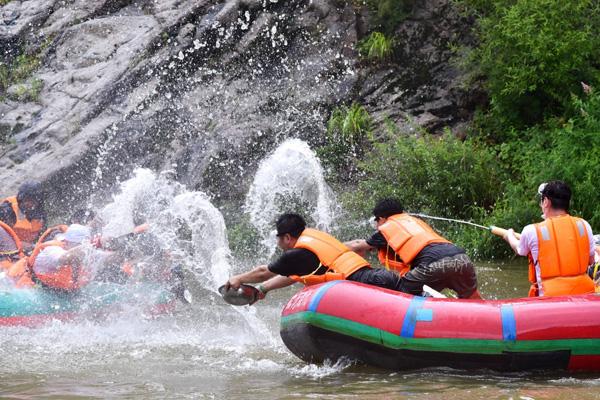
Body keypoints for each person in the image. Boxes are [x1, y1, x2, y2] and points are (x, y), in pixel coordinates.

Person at [225, 213, 413, 303]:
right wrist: (263, 289)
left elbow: (263, 272)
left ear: (288, 237)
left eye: (279, 239)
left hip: (369, 286)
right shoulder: (313, 240)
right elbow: (292, 276)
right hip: (381, 277)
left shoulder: (295, 253)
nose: (278, 244)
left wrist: (238, 278)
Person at [345, 198, 481, 299]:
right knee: (473, 301)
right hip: (462, 259)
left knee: (401, 291)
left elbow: (358, 246)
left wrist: (336, 248)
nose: (376, 225)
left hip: (434, 264)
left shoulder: (387, 229)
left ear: (381, 218)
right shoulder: (415, 223)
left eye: (377, 221)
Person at [503, 181, 595, 297]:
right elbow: (591, 260)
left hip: (550, 301)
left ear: (546, 202)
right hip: (583, 296)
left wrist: (509, 235)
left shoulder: (531, 230)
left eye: (541, 201)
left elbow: (519, 248)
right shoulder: (584, 225)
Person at [0, 181, 47, 250]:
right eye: (27, 200)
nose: (31, 204)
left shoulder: (40, 214)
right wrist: (23, 245)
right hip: (8, 250)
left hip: (29, 251)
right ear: (21, 199)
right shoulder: (7, 210)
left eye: (34, 200)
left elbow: (42, 237)